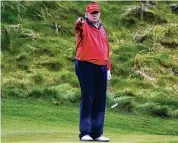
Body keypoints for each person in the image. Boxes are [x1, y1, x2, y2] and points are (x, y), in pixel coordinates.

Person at [75, 1, 111, 142]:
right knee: (88, 98)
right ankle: (85, 132)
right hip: (86, 65)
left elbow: (106, 49)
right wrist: (79, 22)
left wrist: (108, 68)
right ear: (87, 14)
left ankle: (97, 133)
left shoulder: (102, 28)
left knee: (100, 100)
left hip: (101, 67)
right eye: (92, 13)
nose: (95, 15)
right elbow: (78, 26)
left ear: (99, 14)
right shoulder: (84, 26)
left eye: (96, 13)